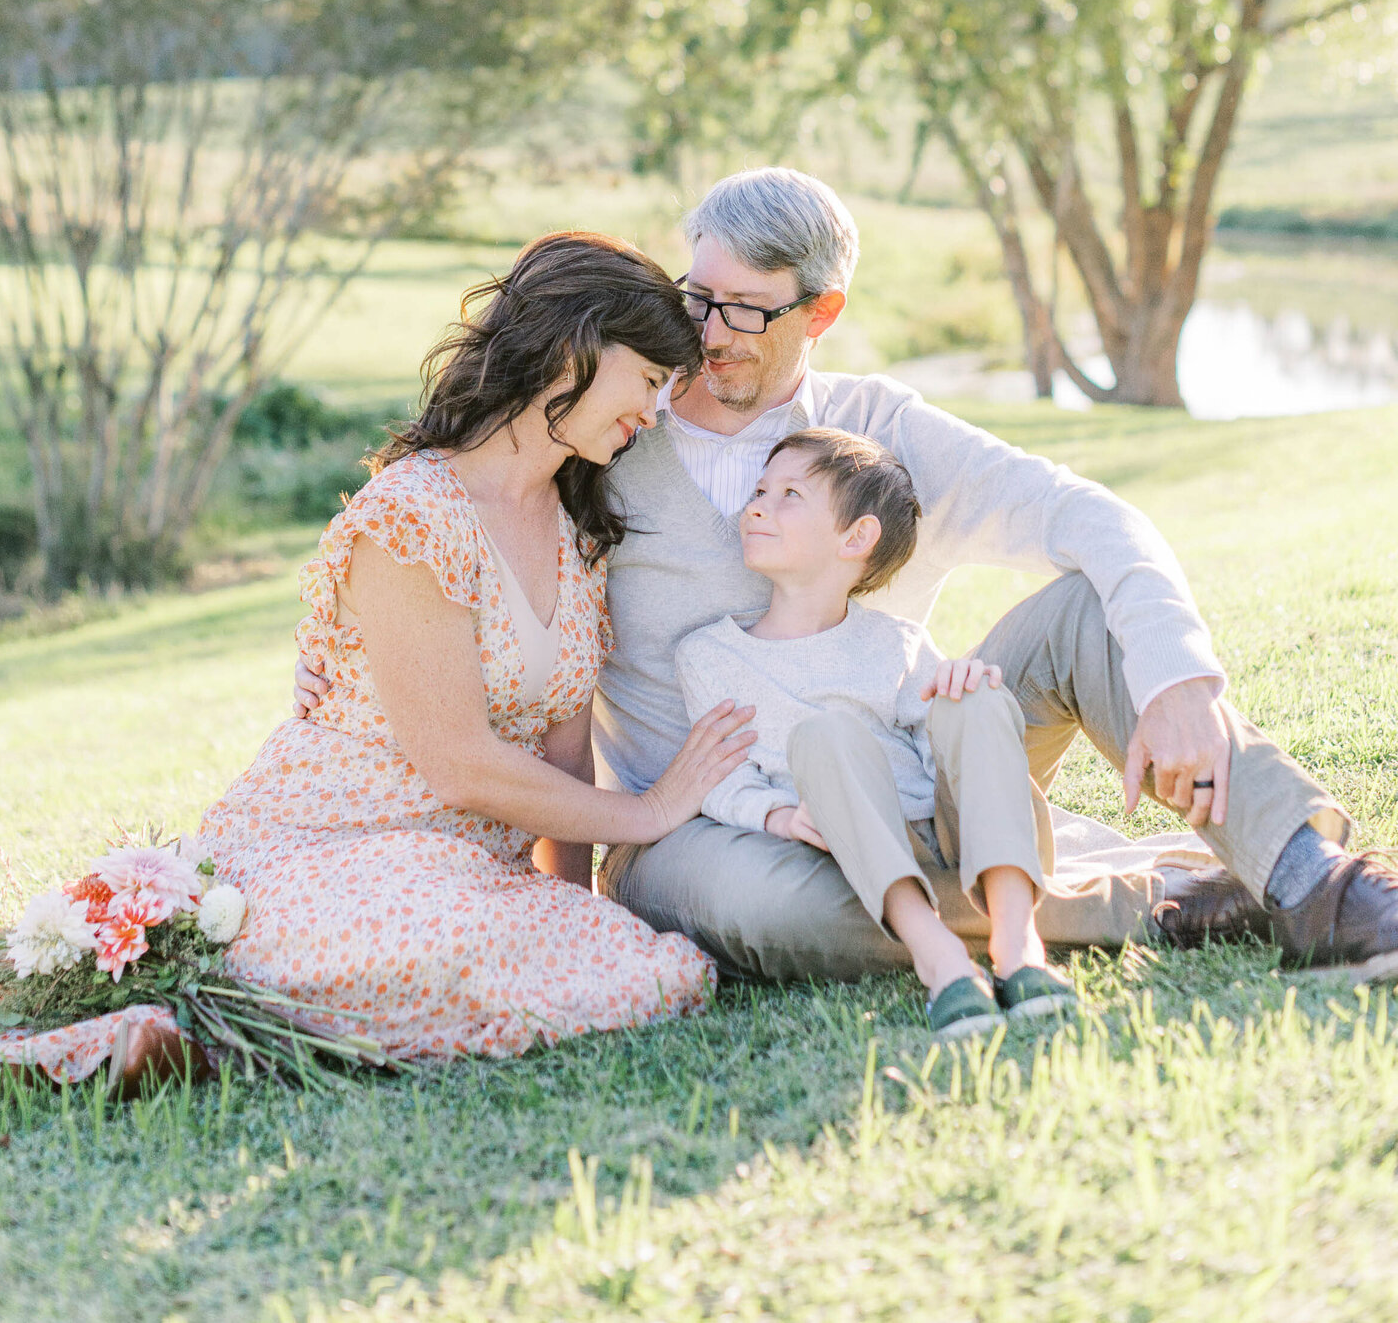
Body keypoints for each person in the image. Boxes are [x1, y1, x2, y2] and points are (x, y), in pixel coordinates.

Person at [588, 168, 1397, 982]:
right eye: (698, 296)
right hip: (705, 823)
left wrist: (1177, 676)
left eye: (747, 311)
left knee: (1088, 608)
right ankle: (1163, 895)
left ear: (821, 312)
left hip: (917, 787)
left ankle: (1315, 884)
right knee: (781, 910)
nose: (710, 333)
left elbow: (1086, 515)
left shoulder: (880, 427)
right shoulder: (617, 430)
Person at [199, 232, 756, 1061]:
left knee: (649, 967)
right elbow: (457, 760)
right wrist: (647, 811)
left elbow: (565, 758)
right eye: (646, 379)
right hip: (336, 844)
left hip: (465, 869)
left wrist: (573, 909)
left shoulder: (577, 534)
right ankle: (192, 1022)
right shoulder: (413, 514)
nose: (653, 410)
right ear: (574, 350)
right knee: (444, 944)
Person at [675, 427, 1078, 1041]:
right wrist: (778, 818)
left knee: (975, 693)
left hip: (942, 829)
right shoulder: (709, 656)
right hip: (850, 841)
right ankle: (939, 958)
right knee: (825, 734)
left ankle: (1018, 947)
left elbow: (938, 748)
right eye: (759, 490)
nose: (756, 505)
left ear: (856, 537)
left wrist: (962, 689)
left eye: (789, 495)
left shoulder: (895, 642)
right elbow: (720, 777)